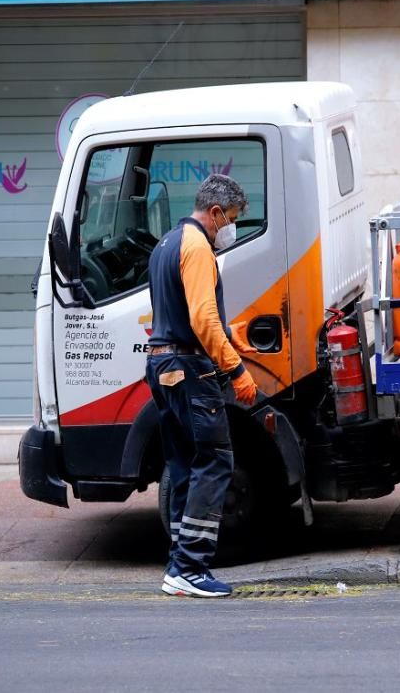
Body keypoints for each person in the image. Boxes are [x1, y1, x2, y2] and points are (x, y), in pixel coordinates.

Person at [145, 174, 258, 598]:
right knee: (214, 461)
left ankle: (178, 564)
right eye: (231, 218)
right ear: (215, 213)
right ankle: (191, 568)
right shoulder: (197, 248)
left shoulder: (166, 244)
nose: (231, 227)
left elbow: (177, 314)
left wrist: (229, 338)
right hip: (191, 371)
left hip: (163, 366)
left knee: (183, 466)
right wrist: (236, 370)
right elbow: (202, 321)